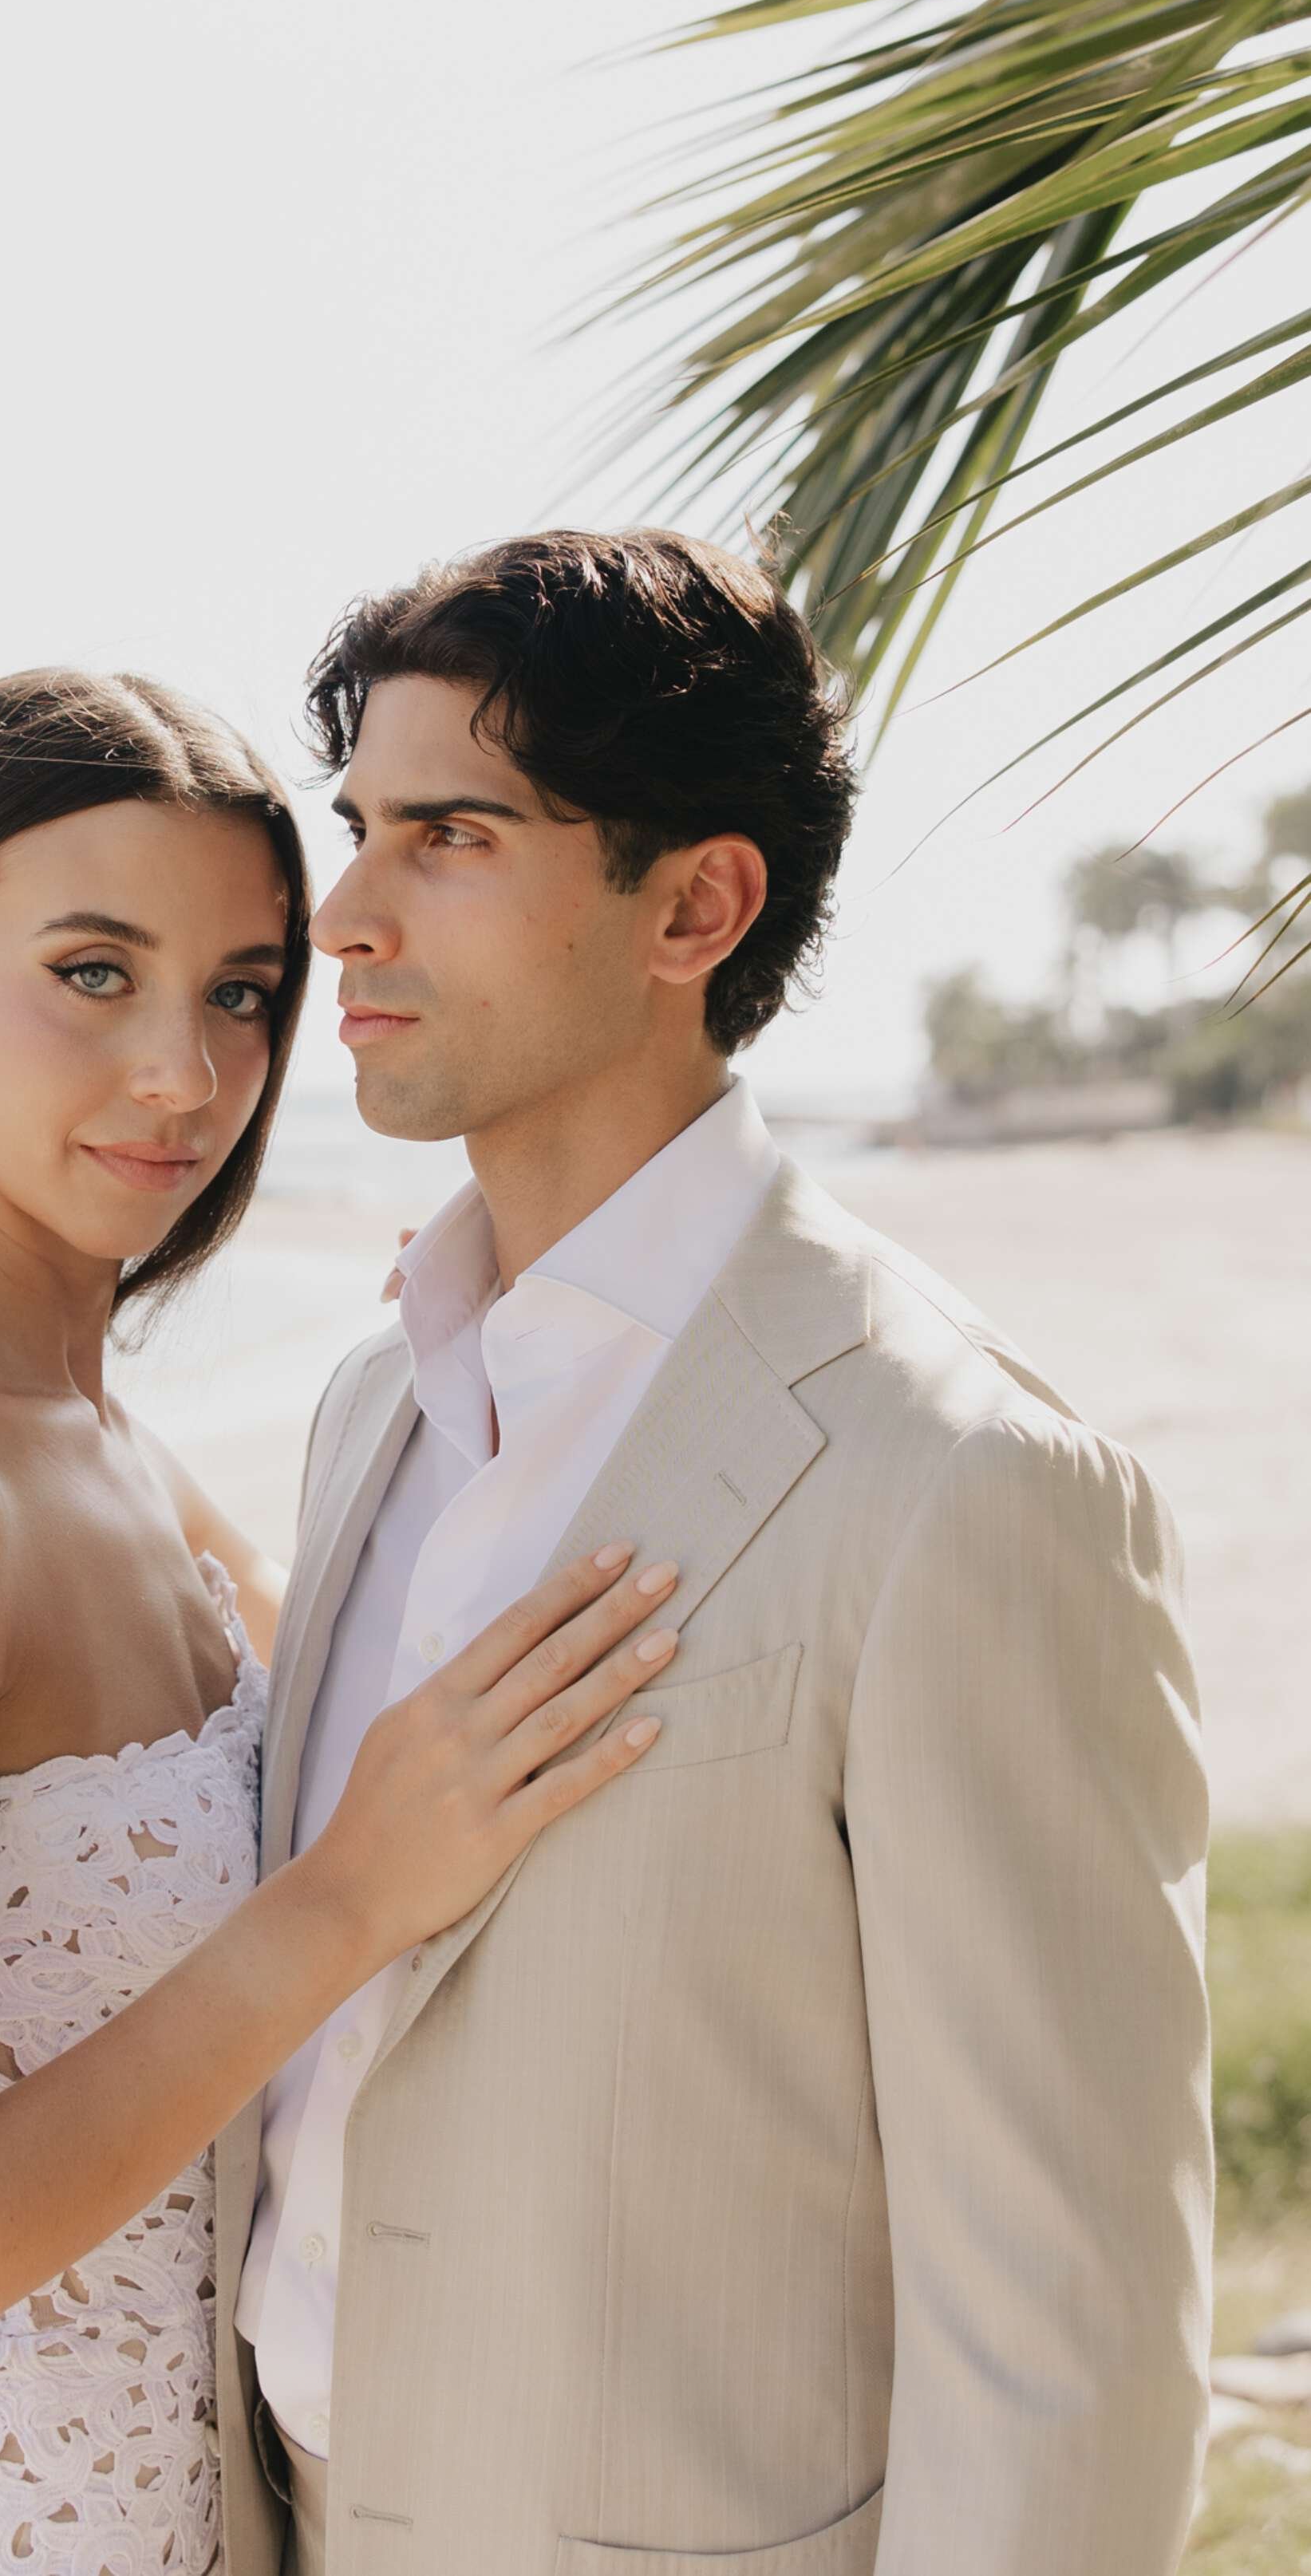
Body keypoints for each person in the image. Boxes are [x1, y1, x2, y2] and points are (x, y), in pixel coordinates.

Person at [0, 667, 681, 2576]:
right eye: (94, 974)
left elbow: (410, 1721)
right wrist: (335, 1905)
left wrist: (503, 1343)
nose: (185, 1073)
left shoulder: (104, 1441)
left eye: (241, 993)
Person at [219, 531, 1214, 2576]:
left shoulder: (971, 1485)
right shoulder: (362, 1414)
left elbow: (1067, 2351)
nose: (347, 917)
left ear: (697, 903)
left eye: (452, 838)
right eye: (358, 831)